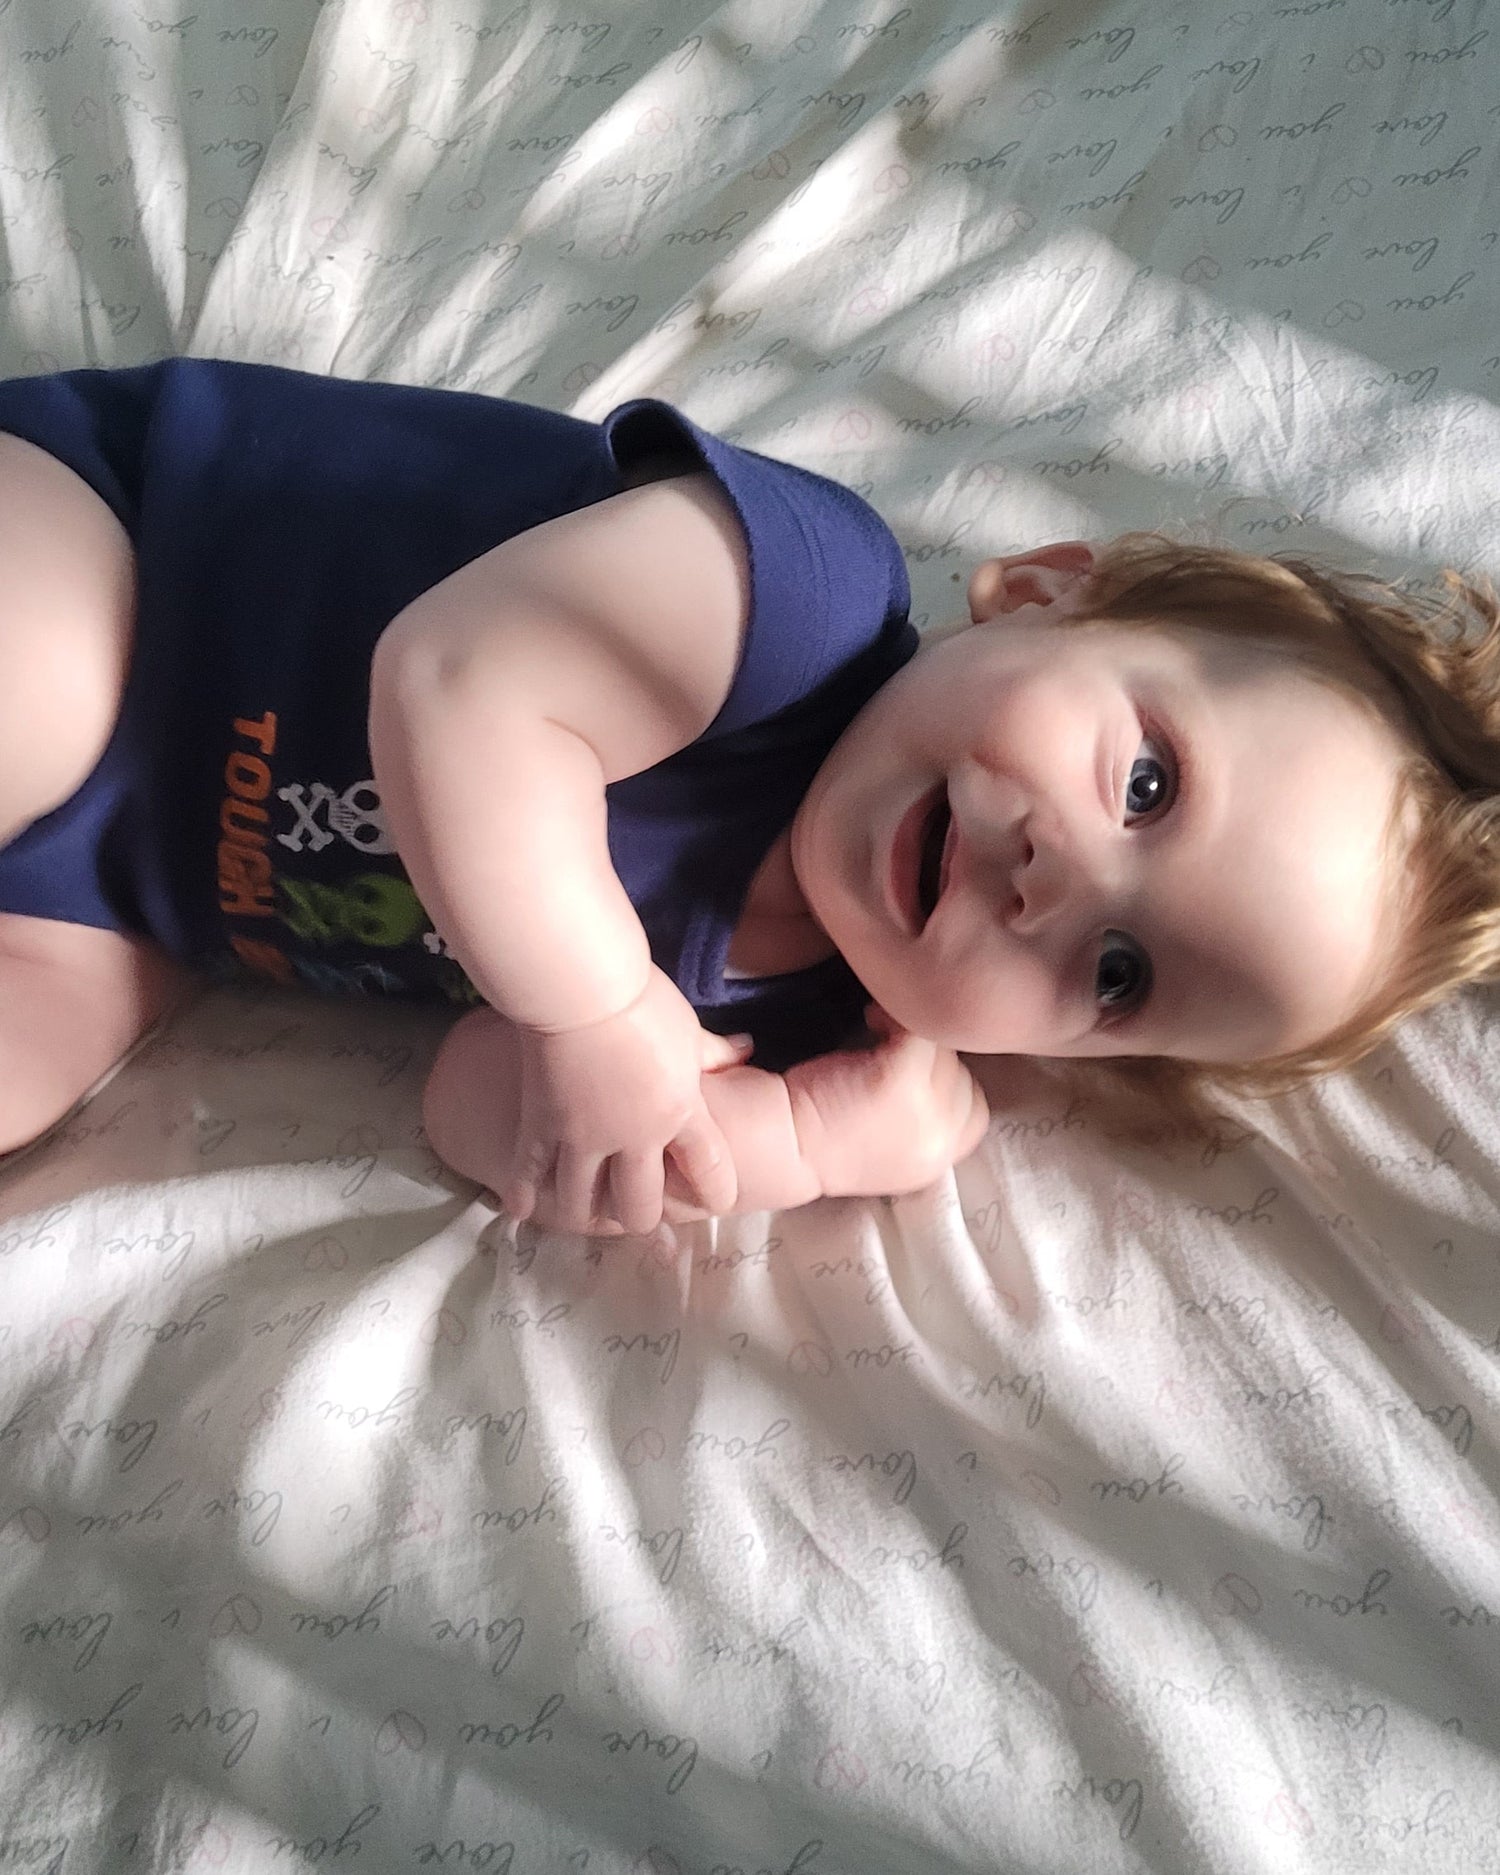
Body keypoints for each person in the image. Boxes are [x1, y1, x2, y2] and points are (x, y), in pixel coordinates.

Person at [0, 360, 1495, 1234]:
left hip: (129, 892)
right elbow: (454, 681)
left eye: (1119, 975)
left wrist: (795, 1144)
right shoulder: (785, 600)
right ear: (1045, 594)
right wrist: (597, 1014)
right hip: (135, 553)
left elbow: (479, 1104)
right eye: (1149, 784)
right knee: (36, 680)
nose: (1062, 886)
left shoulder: (793, 1017)